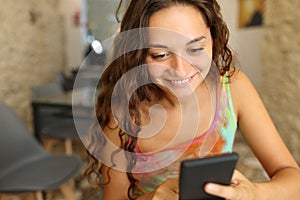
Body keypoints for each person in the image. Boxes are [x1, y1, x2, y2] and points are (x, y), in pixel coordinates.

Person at [84, 0, 300, 199]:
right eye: (160, 55)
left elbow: (294, 180)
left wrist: (255, 193)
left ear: (214, 39)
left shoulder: (233, 88)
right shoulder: (124, 114)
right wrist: (154, 198)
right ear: (138, 55)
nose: (181, 70)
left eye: (195, 49)